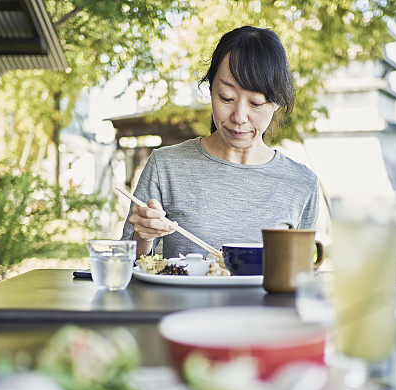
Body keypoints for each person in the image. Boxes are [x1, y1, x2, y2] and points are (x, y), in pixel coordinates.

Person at [121, 25, 319, 258]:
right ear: (211, 89)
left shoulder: (301, 184)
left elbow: (301, 276)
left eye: (255, 103)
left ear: (276, 102)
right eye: (226, 98)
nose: (238, 117)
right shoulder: (166, 166)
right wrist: (143, 237)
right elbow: (127, 265)